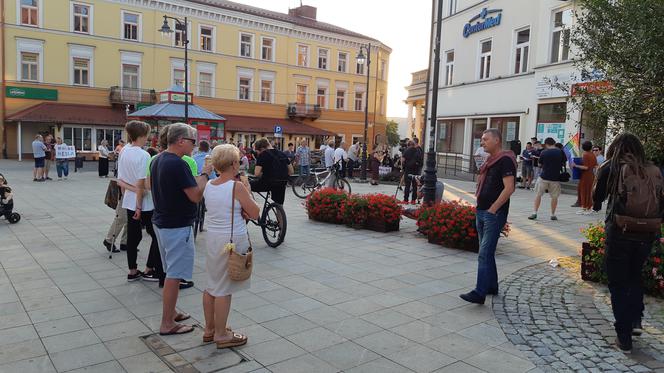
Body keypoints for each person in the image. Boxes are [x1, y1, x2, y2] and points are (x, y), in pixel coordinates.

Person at [592, 133, 664, 352]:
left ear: (615, 147)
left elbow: (597, 198)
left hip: (620, 231)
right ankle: (635, 321)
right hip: (647, 232)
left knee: (618, 283)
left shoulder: (611, 166)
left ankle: (624, 336)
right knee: (635, 275)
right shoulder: (652, 169)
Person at [151, 123, 212, 336]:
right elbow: (195, 195)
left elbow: (181, 187)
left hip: (162, 222)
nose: (194, 146)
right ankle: (167, 323)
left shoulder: (159, 159)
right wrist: (205, 173)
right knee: (174, 275)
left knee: (170, 271)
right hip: (176, 225)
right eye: (192, 141)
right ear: (180, 141)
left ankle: (172, 312)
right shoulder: (177, 164)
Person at [202, 144, 260, 349]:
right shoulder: (236, 186)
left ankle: (209, 330)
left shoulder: (209, 185)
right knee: (224, 289)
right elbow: (255, 212)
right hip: (232, 240)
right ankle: (221, 334)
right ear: (234, 164)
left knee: (212, 284)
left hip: (213, 238)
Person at [460, 129, 516, 304]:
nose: (482, 143)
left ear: (497, 140)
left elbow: (509, 188)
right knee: (487, 252)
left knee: (484, 253)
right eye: (481, 139)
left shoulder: (505, 160)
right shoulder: (490, 161)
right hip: (482, 210)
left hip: (494, 213)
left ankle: (480, 292)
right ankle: (491, 286)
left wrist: (493, 208)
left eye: (485, 139)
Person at [116, 121, 162, 282]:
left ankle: (132, 270)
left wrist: (132, 192)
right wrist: (139, 205)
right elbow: (142, 183)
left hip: (129, 199)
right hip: (144, 203)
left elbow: (120, 180)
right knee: (156, 235)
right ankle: (150, 268)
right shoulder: (144, 155)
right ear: (142, 135)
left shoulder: (124, 150)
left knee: (133, 237)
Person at [528, 137, 563, 221]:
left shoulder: (544, 152)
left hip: (544, 176)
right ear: (554, 143)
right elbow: (563, 162)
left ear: (547, 144)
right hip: (555, 178)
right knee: (554, 197)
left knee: (538, 194)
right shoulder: (560, 152)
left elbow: (539, 164)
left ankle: (534, 213)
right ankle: (553, 214)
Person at [250, 138, 292, 205]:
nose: (258, 153)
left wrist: (265, 173)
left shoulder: (263, 155)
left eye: (258, 151)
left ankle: (252, 206)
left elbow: (256, 174)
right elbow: (291, 171)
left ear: (262, 148)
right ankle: (280, 213)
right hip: (282, 182)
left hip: (268, 183)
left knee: (247, 184)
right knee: (279, 204)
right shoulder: (282, 153)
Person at [572, 141, 598, 215]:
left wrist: (575, 165)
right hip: (591, 175)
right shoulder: (592, 155)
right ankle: (587, 207)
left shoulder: (585, 155)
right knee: (588, 191)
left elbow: (586, 167)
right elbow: (595, 166)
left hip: (586, 175)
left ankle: (586, 208)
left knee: (584, 191)